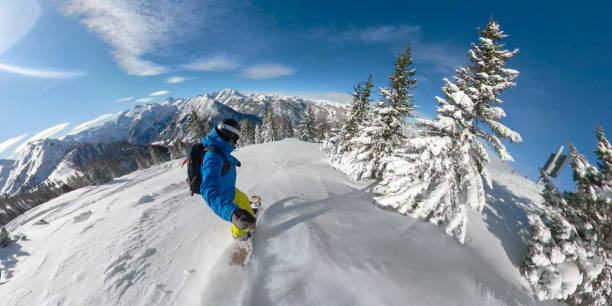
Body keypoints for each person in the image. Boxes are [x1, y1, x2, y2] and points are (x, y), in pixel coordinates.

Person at [200, 118, 256, 240]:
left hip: (230, 189)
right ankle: (239, 236)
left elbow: (223, 156)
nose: (235, 141)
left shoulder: (218, 146)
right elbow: (208, 190)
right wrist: (232, 214)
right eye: (236, 137)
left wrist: (234, 161)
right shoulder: (213, 156)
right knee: (242, 213)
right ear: (230, 136)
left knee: (244, 199)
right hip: (225, 196)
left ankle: (248, 213)